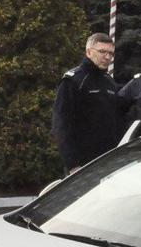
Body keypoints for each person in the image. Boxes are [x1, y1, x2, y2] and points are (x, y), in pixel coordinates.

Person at [51, 33, 120, 174]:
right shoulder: (73, 80)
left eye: (110, 54)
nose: (107, 57)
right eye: (102, 52)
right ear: (89, 52)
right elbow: (61, 125)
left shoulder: (109, 82)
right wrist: (73, 165)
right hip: (82, 165)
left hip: (108, 161)